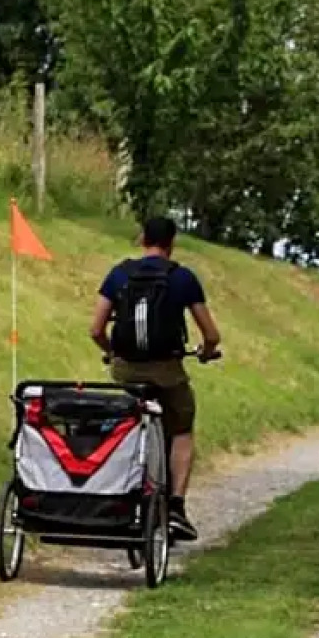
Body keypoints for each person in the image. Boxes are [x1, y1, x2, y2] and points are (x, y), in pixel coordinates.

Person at [89, 216, 222, 543]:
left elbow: (95, 329)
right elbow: (212, 335)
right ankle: (175, 507)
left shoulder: (119, 274)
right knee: (181, 427)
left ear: (142, 238)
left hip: (126, 372)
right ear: (171, 242)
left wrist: (111, 352)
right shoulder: (183, 278)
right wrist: (205, 352)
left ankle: (116, 496)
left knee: (123, 425)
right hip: (167, 370)